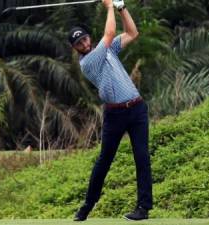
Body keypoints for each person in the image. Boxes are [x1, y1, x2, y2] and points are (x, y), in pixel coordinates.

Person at [68, 0, 153, 221]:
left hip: (137, 109)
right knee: (105, 159)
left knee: (142, 157)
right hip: (115, 115)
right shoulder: (88, 61)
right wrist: (108, 6)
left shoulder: (108, 50)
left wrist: (121, 7)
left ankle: (143, 209)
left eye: (84, 39)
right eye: (78, 43)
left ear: (88, 37)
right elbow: (109, 33)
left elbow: (132, 32)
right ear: (75, 48)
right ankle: (87, 206)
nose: (84, 44)